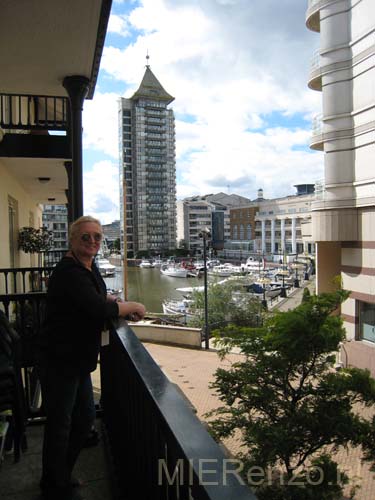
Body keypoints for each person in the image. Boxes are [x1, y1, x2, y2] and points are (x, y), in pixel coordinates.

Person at [39, 216, 145, 500]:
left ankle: (62, 474)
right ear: (73, 240)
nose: (93, 241)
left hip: (78, 360)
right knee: (61, 425)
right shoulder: (70, 272)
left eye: (97, 237)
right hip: (60, 360)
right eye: (86, 237)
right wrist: (130, 305)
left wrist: (114, 303)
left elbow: (98, 299)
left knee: (84, 419)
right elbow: (96, 309)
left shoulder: (88, 267)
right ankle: (53, 484)